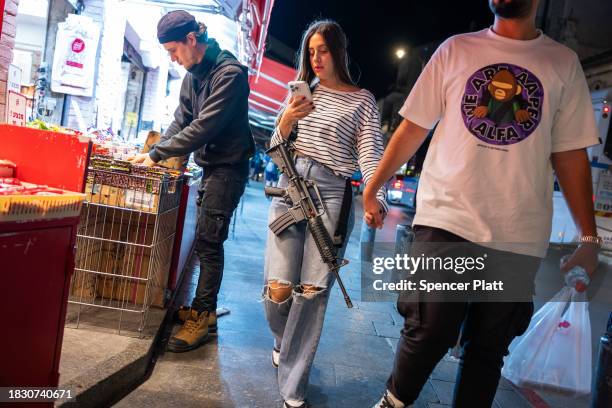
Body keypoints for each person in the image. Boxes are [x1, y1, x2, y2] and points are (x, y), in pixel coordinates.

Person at [365, 1, 601, 407]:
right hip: (448, 216)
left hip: (519, 233)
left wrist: (589, 237)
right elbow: (414, 125)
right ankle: (393, 401)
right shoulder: (456, 50)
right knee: (429, 329)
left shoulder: (563, 63)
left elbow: (570, 155)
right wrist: (375, 184)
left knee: (487, 351)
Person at [263, 20, 387, 408]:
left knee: (312, 293)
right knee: (279, 288)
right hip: (290, 186)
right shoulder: (303, 93)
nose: (316, 58)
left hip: (333, 194)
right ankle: (285, 341)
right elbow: (275, 146)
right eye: (310, 51)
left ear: (339, 52)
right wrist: (287, 119)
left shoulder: (361, 99)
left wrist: (374, 195)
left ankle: (293, 388)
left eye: (323, 50)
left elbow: (370, 153)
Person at [129, 10, 254, 352]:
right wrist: (153, 152)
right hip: (211, 166)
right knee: (205, 241)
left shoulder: (229, 74)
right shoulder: (192, 74)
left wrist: (157, 155)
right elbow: (181, 121)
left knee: (209, 242)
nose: (172, 58)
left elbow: (203, 128)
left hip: (228, 168)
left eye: (173, 50)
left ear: (191, 40)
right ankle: (206, 309)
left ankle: (202, 317)